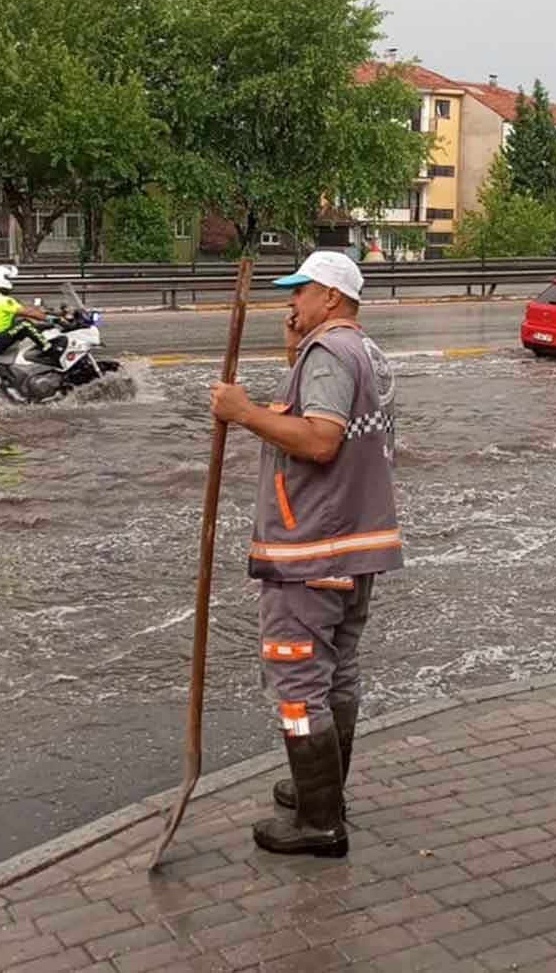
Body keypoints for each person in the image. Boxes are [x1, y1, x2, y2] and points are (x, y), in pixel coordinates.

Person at [210, 250, 402, 858]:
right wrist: (293, 350)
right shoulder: (361, 350)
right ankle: (320, 790)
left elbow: (320, 439)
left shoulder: (330, 355)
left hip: (312, 549)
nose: (291, 301)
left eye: (301, 292)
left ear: (332, 299)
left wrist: (243, 413)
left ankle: (319, 821)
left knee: (297, 683)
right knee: (336, 672)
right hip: (354, 543)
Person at [0, 265, 52, 355]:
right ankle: (49, 349)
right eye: (7, 278)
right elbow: (29, 313)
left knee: (28, 327)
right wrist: (52, 319)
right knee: (24, 324)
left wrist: (48, 313)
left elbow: (25, 310)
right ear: (0, 279)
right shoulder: (2, 299)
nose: (10, 282)